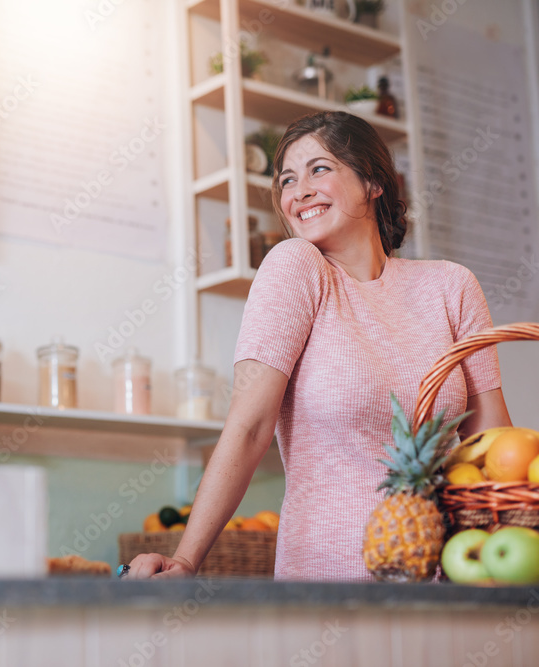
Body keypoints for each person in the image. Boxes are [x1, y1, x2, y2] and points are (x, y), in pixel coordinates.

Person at [128, 111, 513, 581]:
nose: (299, 191)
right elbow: (249, 425)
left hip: (452, 572)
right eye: (287, 179)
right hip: (329, 579)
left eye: (319, 169)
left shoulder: (452, 287)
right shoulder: (295, 267)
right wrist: (187, 560)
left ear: (374, 182)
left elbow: (491, 445)